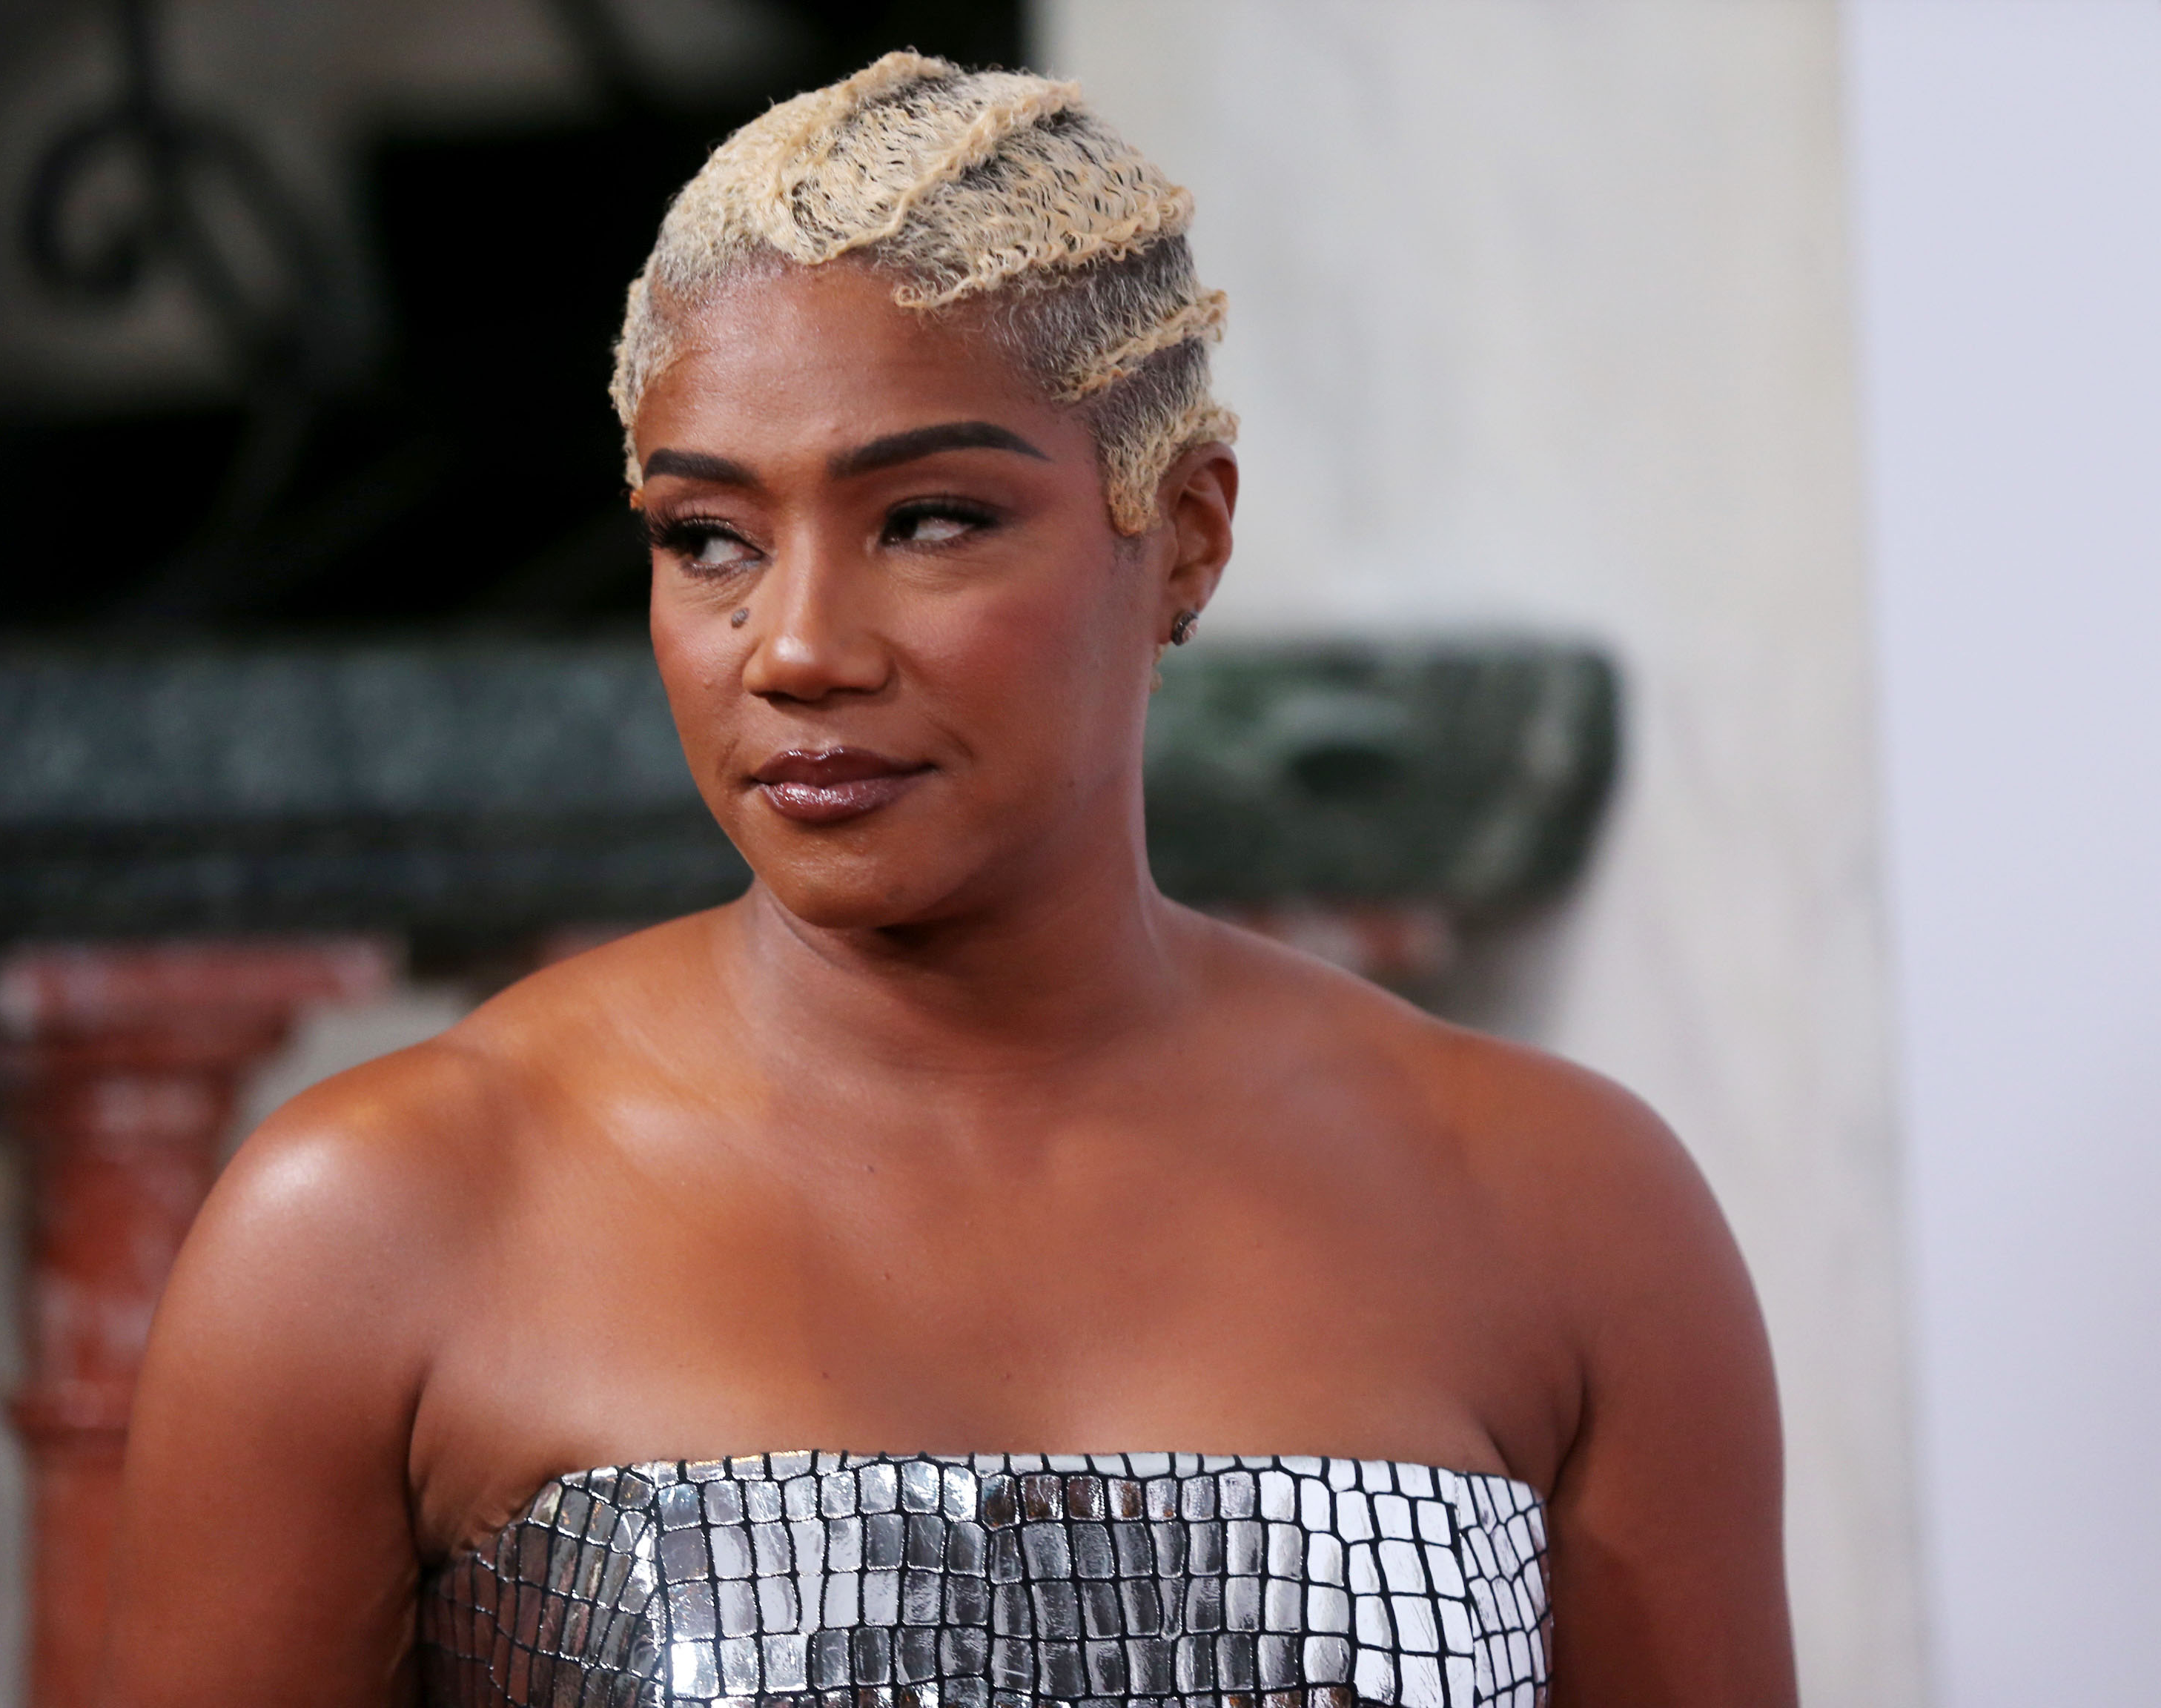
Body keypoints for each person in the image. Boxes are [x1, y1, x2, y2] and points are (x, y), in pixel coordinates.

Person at [102, 54, 1793, 1708]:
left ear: (1187, 531)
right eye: (709, 539)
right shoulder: (375, 1223)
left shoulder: (1562, 1211)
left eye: (927, 521)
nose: (798, 648)